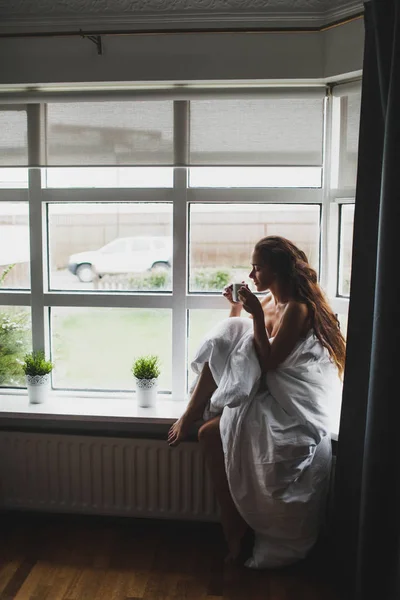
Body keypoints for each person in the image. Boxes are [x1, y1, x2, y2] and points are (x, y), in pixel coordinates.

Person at [168, 236, 346, 568]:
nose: (251, 274)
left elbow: (270, 362)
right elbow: (243, 343)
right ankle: (232, 523)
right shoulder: (267, 303)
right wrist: (238, 309)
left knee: (209, 431)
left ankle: (237, 525)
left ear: (276, 270)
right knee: (228, 333)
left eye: (257, 267)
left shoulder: (298, 308)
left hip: (287, 403)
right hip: (266, 391)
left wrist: (250, 316)